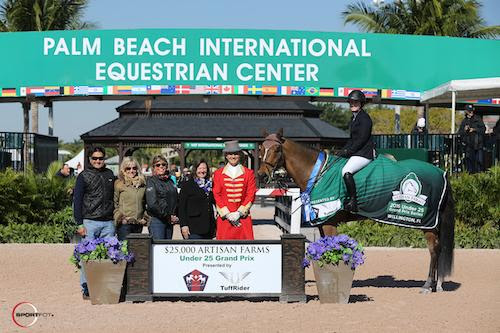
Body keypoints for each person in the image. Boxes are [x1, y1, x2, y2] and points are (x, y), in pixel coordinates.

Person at [73, 146, 116, 299]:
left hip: (108, 223)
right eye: (95, 158)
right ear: (90, 159)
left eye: (101, 158)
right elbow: (76, 201)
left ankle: (103, 287)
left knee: (108, 256)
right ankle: (87, 289)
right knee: (88, 256)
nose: (98, 161)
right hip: (89, 222)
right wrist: (79, 223)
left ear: (104, 159)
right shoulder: (83, 176)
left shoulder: (110, 174)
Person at [336, 90, 376, 212]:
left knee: (346, 171)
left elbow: (361, 140)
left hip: (364, 153)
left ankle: (353, 201)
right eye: (351, 102)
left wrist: (349, 151)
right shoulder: (354, 118)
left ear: (361, 103)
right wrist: (342, 151)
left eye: (355, 102)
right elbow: (352, 139)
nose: (352, 104)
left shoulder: (365, 119)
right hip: (357, 152)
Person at [213, 140, 256, 240]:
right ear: (226, 156)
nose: (233, 157)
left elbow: (251, 194)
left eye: (235, 154)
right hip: (225, 219)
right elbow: (216, 194)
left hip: (243, 219)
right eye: (230, 154)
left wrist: (239, 213)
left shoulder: (249, 173)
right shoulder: (218, 174)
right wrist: (227, 214)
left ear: (240, 155)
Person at [179, 160, 216, 239]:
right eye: (200, 168)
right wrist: (183, 225)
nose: (202, 171)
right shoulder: (187, 185)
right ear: (195, 170)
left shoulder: (210, 185)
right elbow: (181, 207)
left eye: (204, 168)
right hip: (193, 228)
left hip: (209, 228)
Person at [114, 157, 147, 241]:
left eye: (134, 168)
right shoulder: (119, 183)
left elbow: (146, 202)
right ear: (123, 169)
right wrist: (120, 218)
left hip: (138, 224)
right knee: (125, 251)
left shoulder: (143, 184)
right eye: (128, 168)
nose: (131, 171)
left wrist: (145, 218)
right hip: (124, 224)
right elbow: (114, 203)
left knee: (135, 250)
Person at [146, 155, 178, 239]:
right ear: (153, 167)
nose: (161, 166)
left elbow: (175, 199)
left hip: (169, 221)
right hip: (157, 220)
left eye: (163, 164)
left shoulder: (170, 181)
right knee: (158, 249)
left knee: (166, 248)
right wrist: (167, 216)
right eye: (158, 165)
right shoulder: (151, 181)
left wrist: (175, 215)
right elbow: (152, 204)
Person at [458, 104, 486, 173]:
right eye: (469, 111)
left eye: (471, 111)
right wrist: (465, 130)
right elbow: (460, 132)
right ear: (466, 112)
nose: (471, 113)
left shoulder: (478, 119)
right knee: (469, 162)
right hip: (468, 145)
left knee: (479, 161)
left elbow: (483, 129)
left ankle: (479, 175)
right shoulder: (464, 121)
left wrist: (474, 129)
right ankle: (470, 176)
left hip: (478, 144)